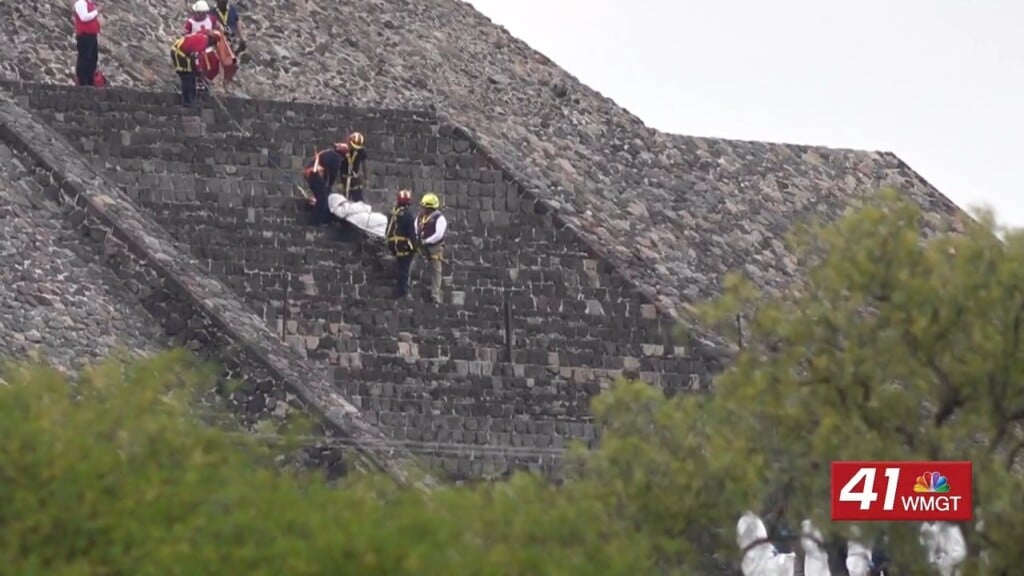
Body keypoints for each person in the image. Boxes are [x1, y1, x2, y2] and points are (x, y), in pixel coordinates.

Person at [169, 29, 221, 107]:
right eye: (213, 44)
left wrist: (198, 70)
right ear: (212, 40)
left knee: (192, 76)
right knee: (187, 76)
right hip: (179, 52)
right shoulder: (204, 42)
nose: (211, 46)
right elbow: (194, 57)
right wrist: (198, 70)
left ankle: (192, 100)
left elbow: (196, 57)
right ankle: (187, 102)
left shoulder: (203, 38)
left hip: (182, 53)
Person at [302, 142, 346, 226]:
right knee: (322, 199)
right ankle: (314, 222)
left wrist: (327, 187)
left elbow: (326, 172)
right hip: (314, 174)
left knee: (322, 197)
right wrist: (329, 186)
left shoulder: (329, 153)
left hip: (312, 173)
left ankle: (321, 218)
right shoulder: (336, 158)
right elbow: (332, 174)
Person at [415, 192, 447, 304]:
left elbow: (439, 234)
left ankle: (435, 295)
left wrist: (427, 241)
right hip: (421, 245)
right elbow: (415, 228)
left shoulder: (439, 218)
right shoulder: (420, 217)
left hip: (435, 247)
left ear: (429, 208)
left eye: (424, 206)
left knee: (436, 270)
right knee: (413, 262)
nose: (422, 208)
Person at [385, 189, 417, 299]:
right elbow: (411, 233)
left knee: (400, 266)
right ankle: (402, 291)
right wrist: (414, 247)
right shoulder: (407, 216)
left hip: (394, 244)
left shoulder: (393, 213)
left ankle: (399, 289)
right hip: (404, 245)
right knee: (404, 268)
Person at [72, 0, 101, 86]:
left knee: (93, 58)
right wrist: (96, 11)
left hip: (92, 35)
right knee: (85, 57)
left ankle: (90, 80)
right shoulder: (81, 3)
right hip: (84, 35)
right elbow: (84, 17)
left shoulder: (90, 4)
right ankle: (82, 80)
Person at [342, 132, 367, 202]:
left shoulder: (361, 151)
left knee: (359, 200)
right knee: (344, 201)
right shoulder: (343, 150)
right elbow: (338, 166)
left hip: (355, 179)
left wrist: (366, 178)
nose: (355, 149)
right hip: (344, 178)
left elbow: (364, 165)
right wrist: (338, 182)